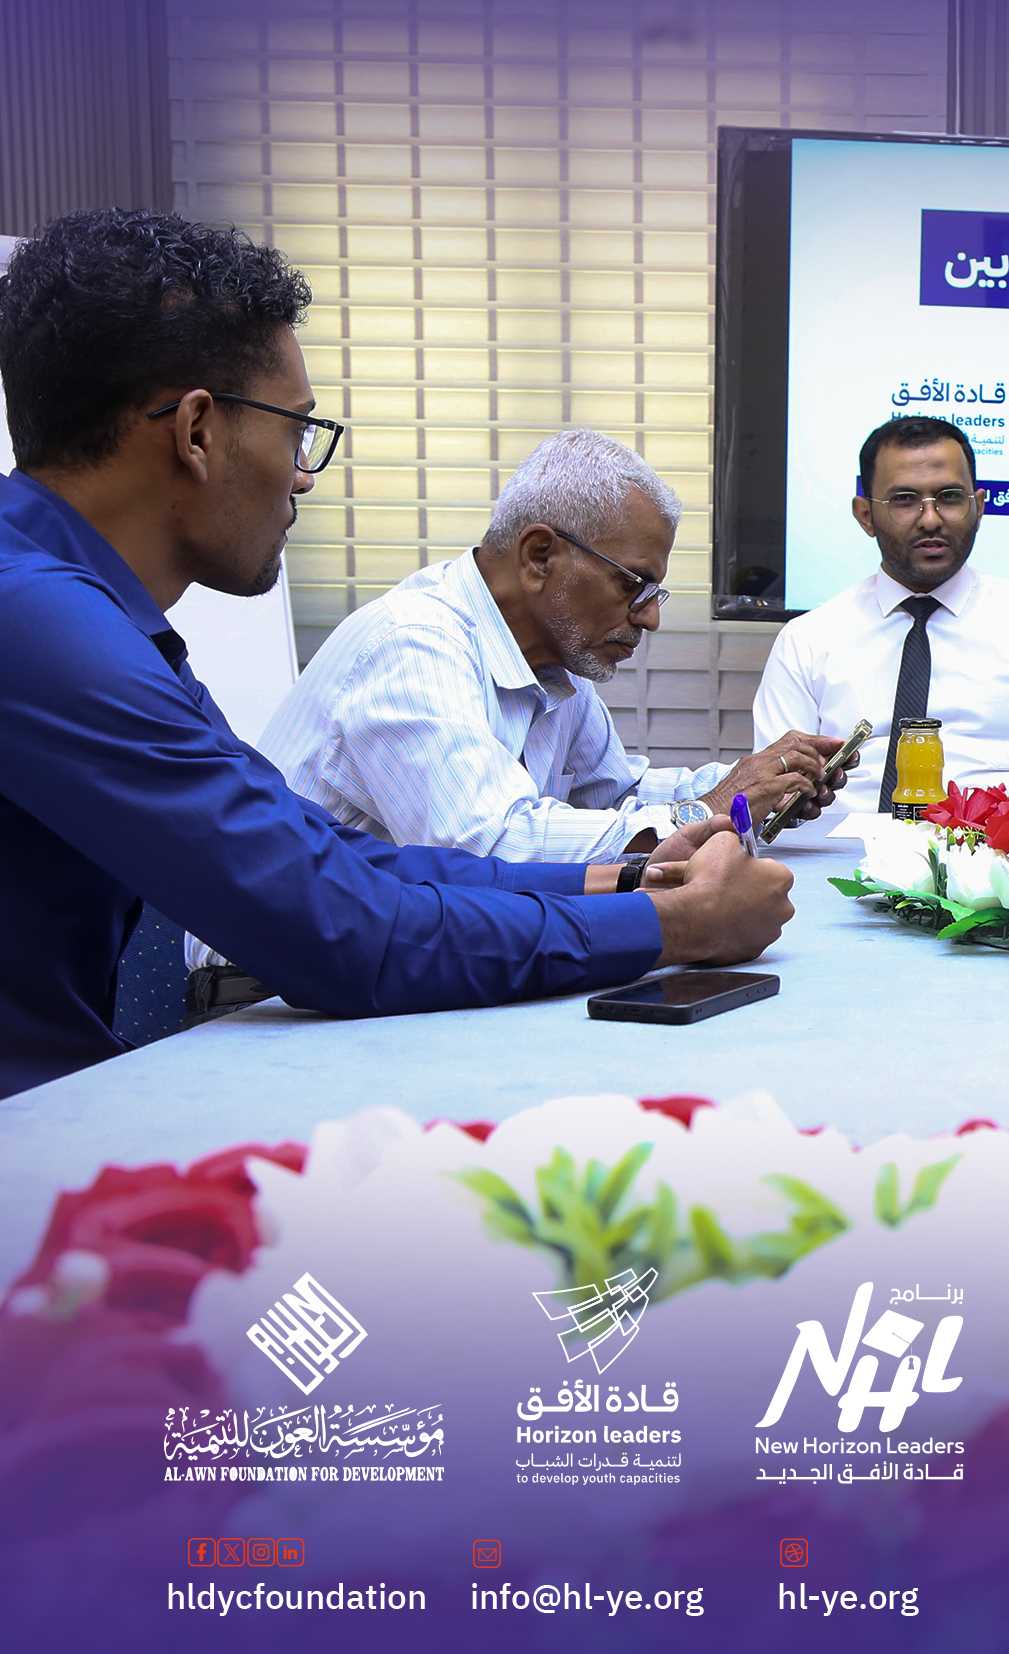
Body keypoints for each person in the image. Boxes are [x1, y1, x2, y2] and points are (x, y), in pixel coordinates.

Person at [0, 208, 791, 1098]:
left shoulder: (85, 612)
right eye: (296, 430)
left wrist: (629, 878)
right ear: (197, 431)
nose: (303, 474)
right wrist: (675, 926)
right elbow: (338, 927)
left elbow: (332, 859)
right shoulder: (40, 625)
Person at [257, 428, 841, 864]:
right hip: (266, 987)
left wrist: (755, 782)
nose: (651, 618)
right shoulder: (413, 645)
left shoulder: (555, 663)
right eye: (633, 584)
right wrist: (711, 810)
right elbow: (489, 847)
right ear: (539, 556)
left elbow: (614, 796)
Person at [751, 415, 1009, 803]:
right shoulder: (807, 640)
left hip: (992, 840)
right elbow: (774, 798)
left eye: (950, 497)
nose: (931, 519)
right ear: (865, 515)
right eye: (905, 500)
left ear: (978, 507)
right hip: (838, 839)